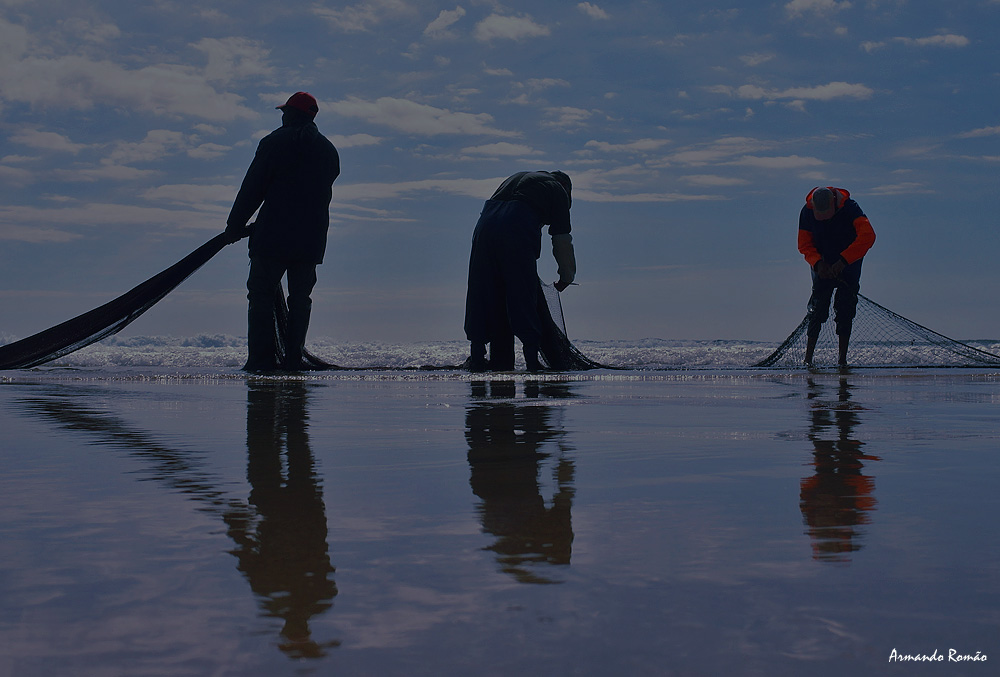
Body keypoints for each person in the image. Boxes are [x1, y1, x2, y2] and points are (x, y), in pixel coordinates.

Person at [225, 92, 341, 372]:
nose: (282, 116)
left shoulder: (273, 143)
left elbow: (253, 187)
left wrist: (234, 225)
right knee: (300, 300)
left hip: (273, 237)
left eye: (285, 111)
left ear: (293, 114)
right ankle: (292, 361)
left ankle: (261, 361)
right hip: (310, 240)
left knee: (261, 295)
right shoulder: (328, 151)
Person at [463, 171, 577, 372]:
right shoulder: (558, 190)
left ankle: (478, 357)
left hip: (484, 228)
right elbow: (562, 239)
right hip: (516, 226)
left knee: (482, 293)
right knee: (522, 294)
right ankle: (532, 362)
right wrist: (566, 276)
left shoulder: (518, 179)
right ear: (566, 189)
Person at [797, 186, 876, 367]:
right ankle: (808, 359)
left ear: (834, 204)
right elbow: (804, 245)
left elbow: (868, 236)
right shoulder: (806, 212)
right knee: (817, 310)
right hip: (822, 265)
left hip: (849, 264)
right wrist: (817, 263)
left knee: (845, 309)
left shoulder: (850, 208)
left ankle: (842, 360)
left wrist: (843, 261)